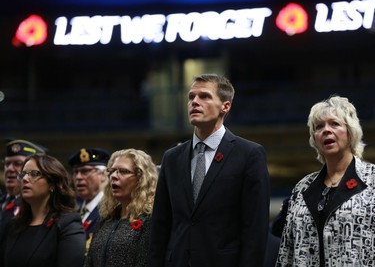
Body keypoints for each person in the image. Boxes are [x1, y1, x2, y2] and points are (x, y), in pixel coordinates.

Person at [148, 73, 270, 267]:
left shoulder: (249, 154)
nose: (195, 102)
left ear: (225, 106)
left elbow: (255, 228)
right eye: (191, 97)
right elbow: (160, 226)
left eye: (204, 96)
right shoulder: (171, 158)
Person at [276, 95, 375, 266]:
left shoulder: (372, 179)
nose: (326, 130)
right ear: (314, 138)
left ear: (351, 132)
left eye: (334, 124)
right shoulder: (302, 188)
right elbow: (287, 250)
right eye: (318, 127)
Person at [0, 153, 86, 267]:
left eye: (34, 174)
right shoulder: (14, 224)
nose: (25, 179)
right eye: (23, 174)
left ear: (52, 184)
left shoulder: (68, 224)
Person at [84, 148, 158, 267]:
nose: (114, 176)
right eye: (112, 171)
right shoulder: (105, 219)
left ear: (141, 179)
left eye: (123, 171)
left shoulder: (150, 219)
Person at [0, 138, 48, 241]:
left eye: (17, 164)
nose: (10, 169)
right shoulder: (2, 202)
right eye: (7, 164)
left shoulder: (37, 206)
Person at [68, 147, 110, 250]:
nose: (78, 177)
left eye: (85, 171)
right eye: (75, 172)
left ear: (103, 175)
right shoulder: (72, 211)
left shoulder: (110, 210)